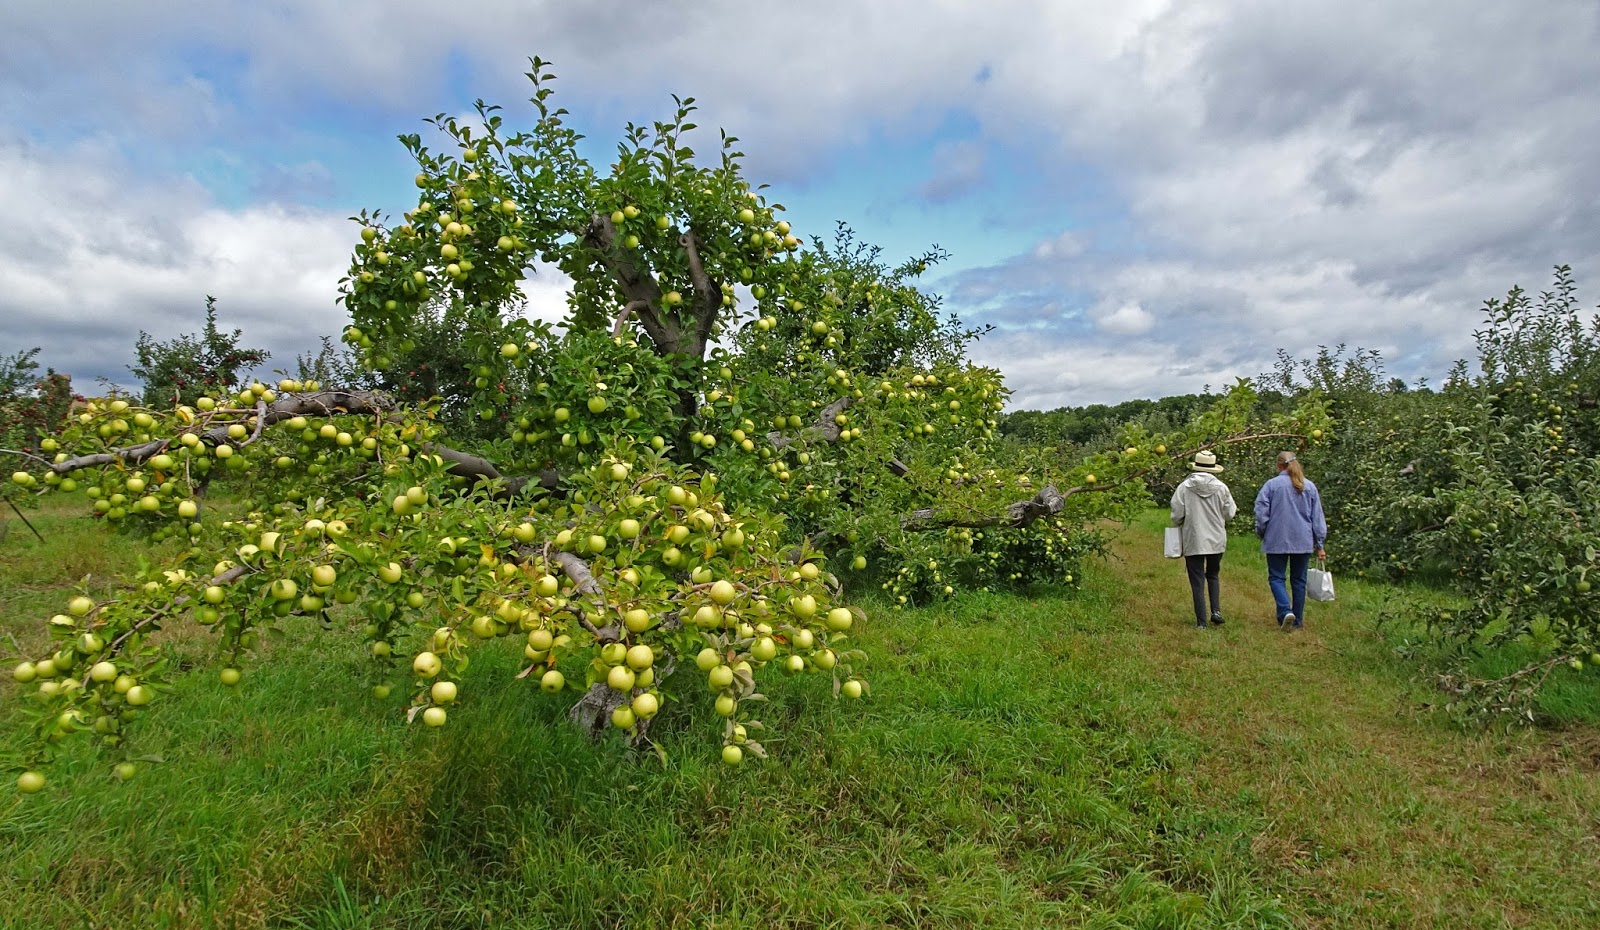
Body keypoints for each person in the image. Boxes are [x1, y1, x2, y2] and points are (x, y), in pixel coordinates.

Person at [1254, 451, 1328, 631]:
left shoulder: (1271, 486)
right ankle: (1298, 620)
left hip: (1276, 539)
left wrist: (1262, 532)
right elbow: (1317, 518)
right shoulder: (1309, 486)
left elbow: (1261, 513)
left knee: (1277, 577)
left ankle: (1285, 610)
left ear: (1279, 466)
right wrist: (1319, 544)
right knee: (1299, 580)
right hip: (1303, 540)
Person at [1170, 450, 1238, 629]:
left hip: (1194, 537)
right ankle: (1216, 611)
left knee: (1197, 579)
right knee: (1213, 574)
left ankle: (1201, 622)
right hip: (1216, 538)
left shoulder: (1184, 487)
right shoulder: (1222, 488)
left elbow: (1176, 514)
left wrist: (1183, 521)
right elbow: (1230, 513)